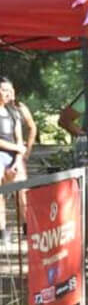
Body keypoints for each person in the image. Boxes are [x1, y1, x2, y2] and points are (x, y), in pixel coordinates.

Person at [0, 78, 30, 243]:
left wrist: (18, 159)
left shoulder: (14, 113)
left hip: (14, 156)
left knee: (22, 192)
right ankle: (2, 229)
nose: (8, 93)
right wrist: (17, 148)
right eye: (4, 90)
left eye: (10, 90)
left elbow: (20, 139)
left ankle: (26, 226)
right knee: (1, 194)